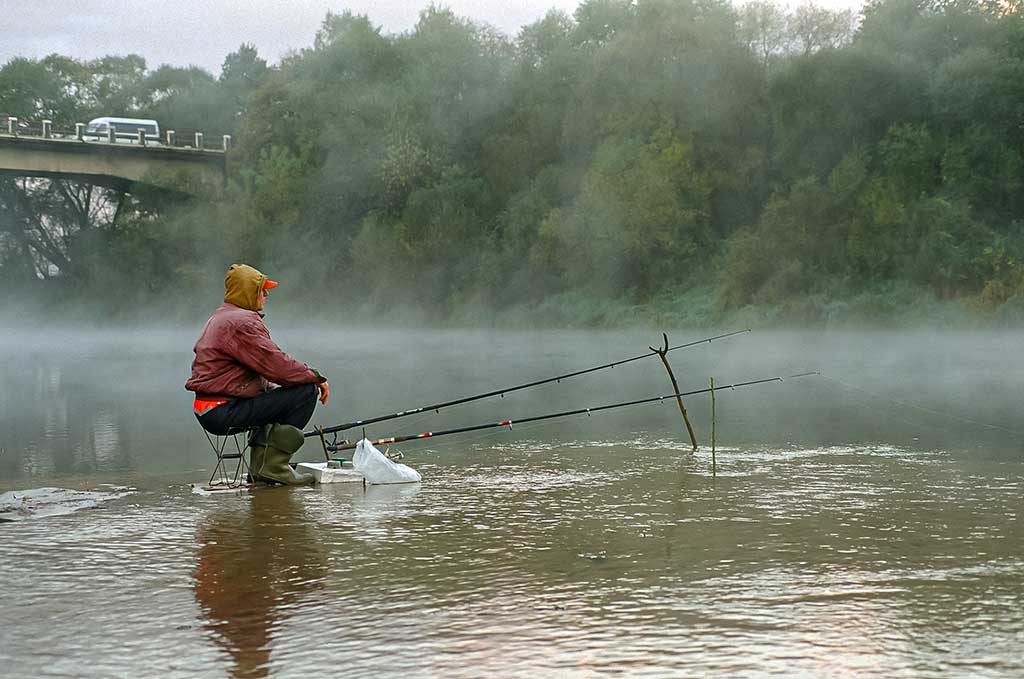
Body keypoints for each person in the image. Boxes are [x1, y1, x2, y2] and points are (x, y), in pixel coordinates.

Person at [186, 263, 329, 485]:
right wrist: (316, 377)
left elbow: (260, 374)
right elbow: (277, 366)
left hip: (212, 409)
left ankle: (263, 468)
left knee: (289, 392)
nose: (266, 293)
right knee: (305, 391)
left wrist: (283, 390)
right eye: (261, 289)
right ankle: (272, 468)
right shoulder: (242, 323)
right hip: (223, 410)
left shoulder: (224, 317)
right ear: (247, 291)